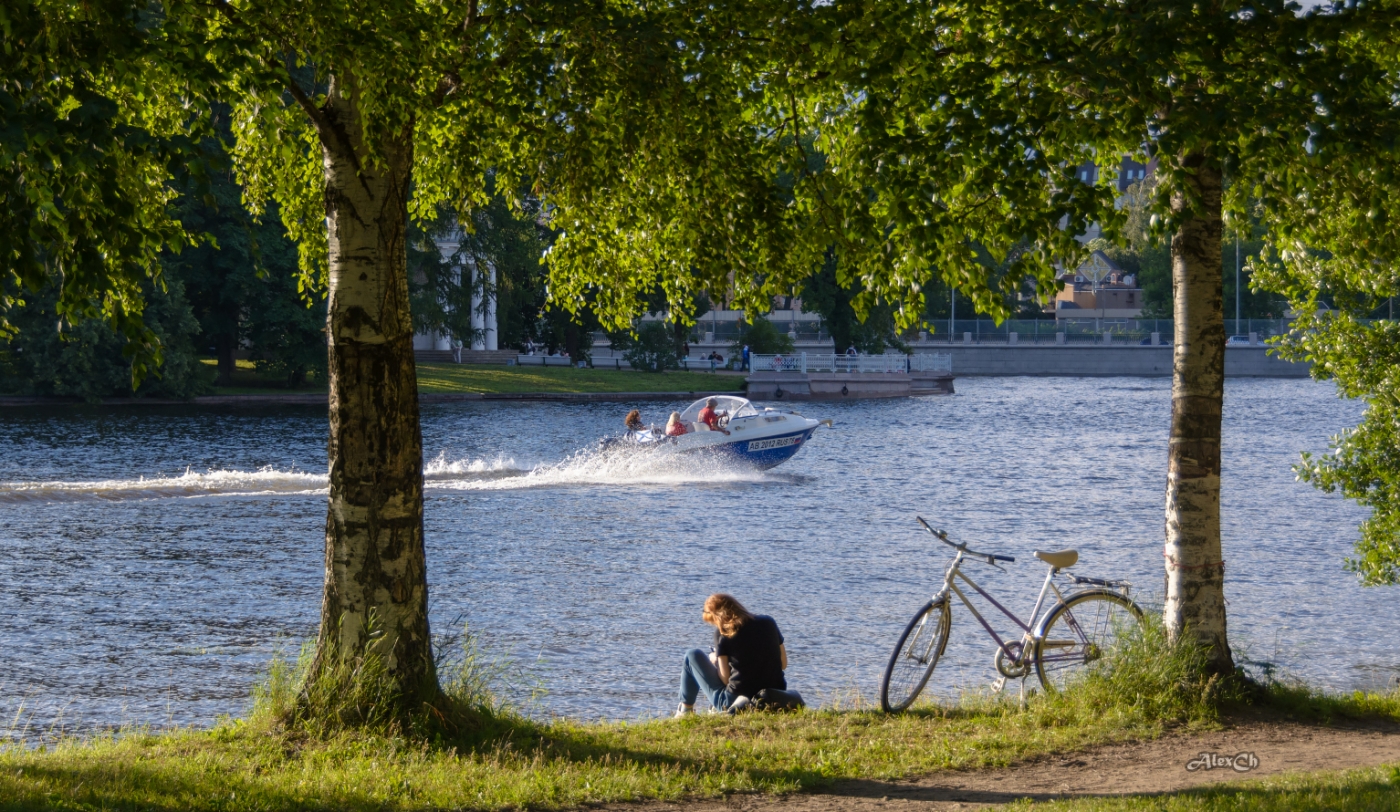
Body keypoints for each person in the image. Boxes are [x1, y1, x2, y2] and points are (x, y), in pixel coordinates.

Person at [677, 594, 787, 716]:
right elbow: (783, 663)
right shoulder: (768, 622)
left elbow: (725, 679)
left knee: (691, 655)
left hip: (734, 703)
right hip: (776, 697)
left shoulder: (723, 633)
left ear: (717, 617)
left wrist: (715, 660)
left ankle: (685, 711)